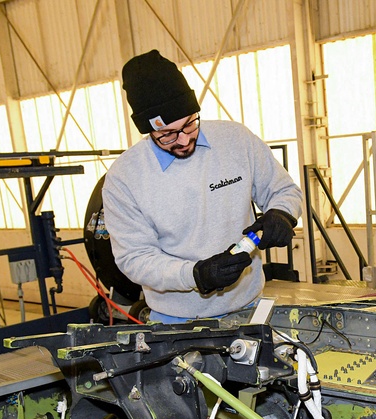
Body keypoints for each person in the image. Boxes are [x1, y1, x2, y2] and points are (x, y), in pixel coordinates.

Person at [102, 50, 303, 322]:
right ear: (148, 130)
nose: (184, 140)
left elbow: (284, 191)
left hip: (249, 308)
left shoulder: (236, 140)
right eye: (167, 135)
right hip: (176, 321)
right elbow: (135, 258)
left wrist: (281, 213)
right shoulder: (124, 178)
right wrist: (195, 274)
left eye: (189, 124)